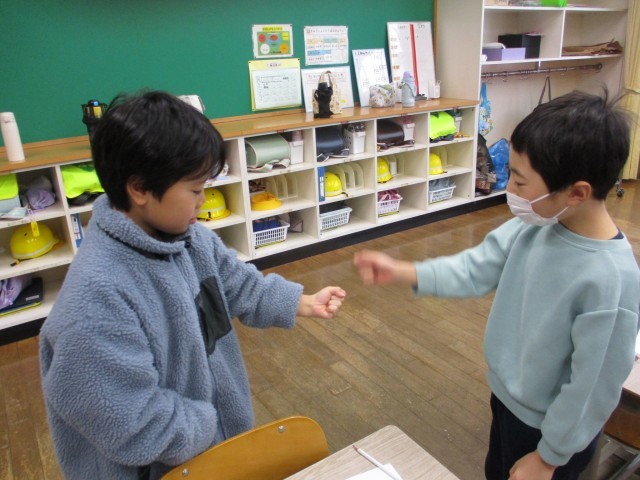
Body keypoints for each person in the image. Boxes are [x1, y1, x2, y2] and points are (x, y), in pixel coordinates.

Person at [39, 90, 346, 480]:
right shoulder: (95, 301)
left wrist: (301, 302)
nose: (204, 200)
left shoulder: (192, 240)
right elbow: (131, 421)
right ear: (139, 189)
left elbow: (238, 285)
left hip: (212, 453)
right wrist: (209, 424)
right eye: (196, 189)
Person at [354, 90, 639, 480]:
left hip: (551, 431)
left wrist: (549, 458)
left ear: (577, 192)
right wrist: (406, 272)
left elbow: (592, 389)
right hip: (508, 400)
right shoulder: (537, 226)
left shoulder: (611, 280)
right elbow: (476, 269)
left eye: (520, 182)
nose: (510, 190)